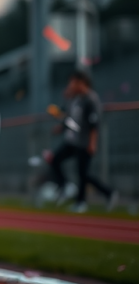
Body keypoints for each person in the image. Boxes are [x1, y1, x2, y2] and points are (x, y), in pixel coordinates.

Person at [46, 69, 116, 213]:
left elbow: (94, 124)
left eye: (72, 82)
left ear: (81, 82)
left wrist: (92, 143)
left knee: (83, 173)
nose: (70, 85)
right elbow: (69, 118)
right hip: (72, 141)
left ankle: (86, 200)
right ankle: (66, 186)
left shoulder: (90, 99)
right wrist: (61, 127)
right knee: (55, 160)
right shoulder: (75, 99)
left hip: (84, 141)